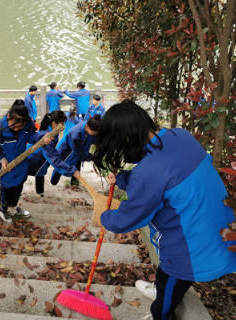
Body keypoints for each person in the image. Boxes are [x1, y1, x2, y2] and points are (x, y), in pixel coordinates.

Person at [93, 100, 236, 320]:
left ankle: (162, 311)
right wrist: (122, 179)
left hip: (192, 247)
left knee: (169, 283)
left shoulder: (148, 174)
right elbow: (164, 176)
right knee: (168, 278)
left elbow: (127, 219)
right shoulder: (180, 136)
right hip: (219, 226)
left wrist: (105, 216)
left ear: (127, 139)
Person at [0, 99, 52, 223]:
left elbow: (31, 134)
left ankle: (13, 207)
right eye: (14, 126)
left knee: (18, 187)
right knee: (5, 191)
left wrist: (41, 138)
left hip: (20, 165)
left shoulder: (27, 122)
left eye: (20, 127)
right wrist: (0, 158)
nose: (17, 129)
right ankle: (2, 211)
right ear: (8, 117)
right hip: (4, 169)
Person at [27, 110, 80, 197]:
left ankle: (40, 192)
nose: (64, 126)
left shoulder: (52, 133)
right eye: (62, 123)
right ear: (55, 123)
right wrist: (72, 171)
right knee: (21, 179)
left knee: (40, 173)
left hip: (41, 159)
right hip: (32, 158)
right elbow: (55, 160)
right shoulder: (46, 138)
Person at [50, 114, 102, 186]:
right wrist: (90, 157)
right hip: (67, 149)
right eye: (94, 133)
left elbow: (95, 140)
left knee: (77, 163)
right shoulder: (76, 134)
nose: (95, 135)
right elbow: (78, 152)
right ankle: (53, 181)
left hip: (78, 149)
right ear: (88, 127)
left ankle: (74, 183)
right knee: (63, 164)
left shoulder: (91, 125)